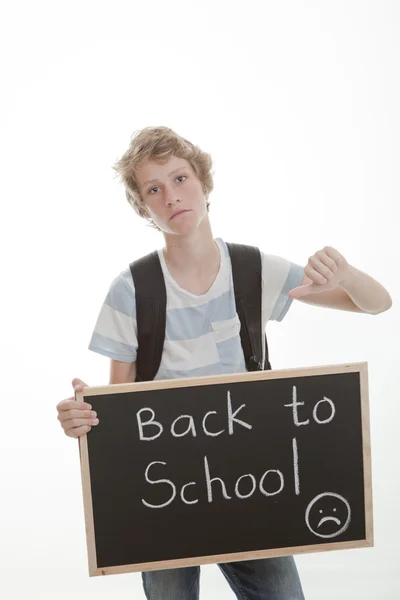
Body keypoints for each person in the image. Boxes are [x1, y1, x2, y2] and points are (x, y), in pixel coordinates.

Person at [56, 126, 392, 600]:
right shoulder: (131, 289)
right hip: (164, 495)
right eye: (154, 189)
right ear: (142, 207)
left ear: (204, 183)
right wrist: (84, 419)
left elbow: (376, 304)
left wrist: (347, 273)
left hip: (253, 482)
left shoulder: (255, 270)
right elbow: (117, 408)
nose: (171, 196)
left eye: (179, 178)